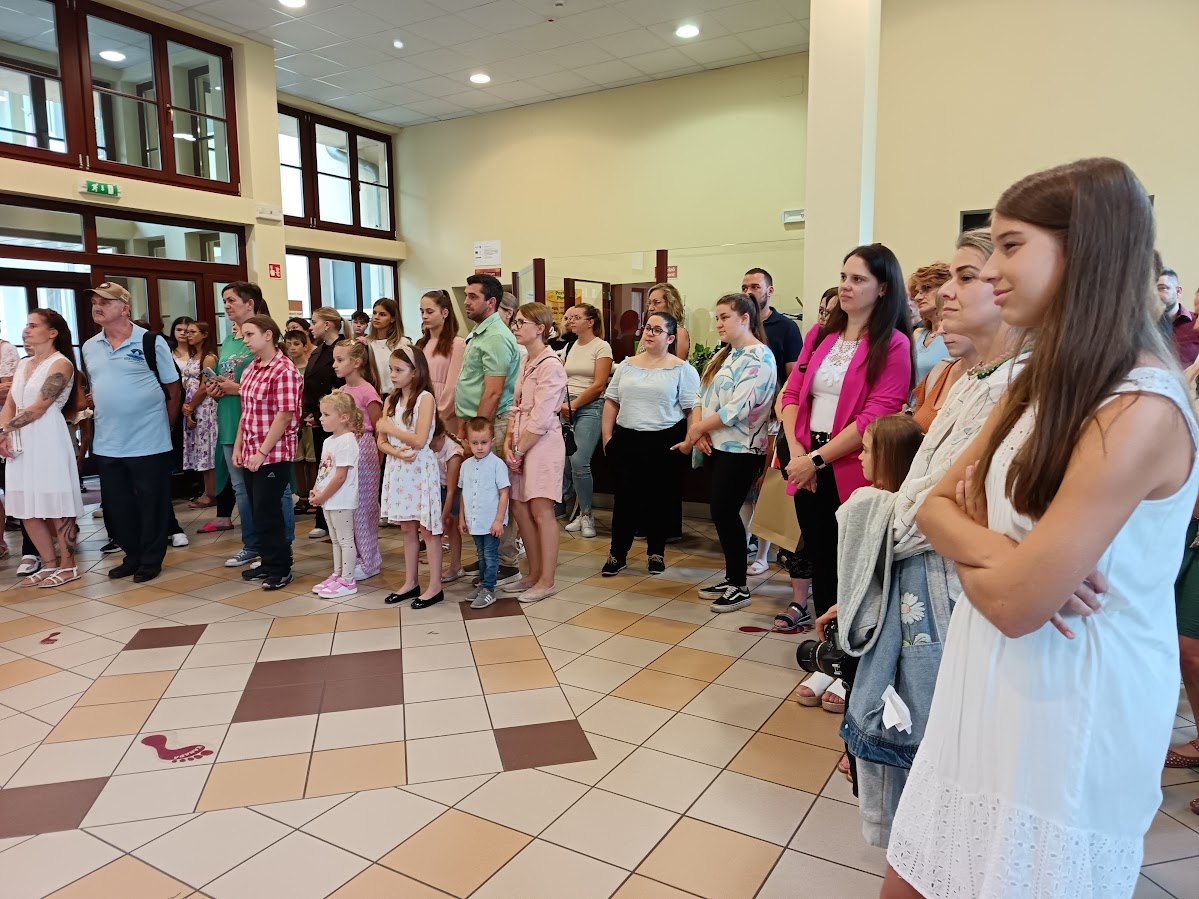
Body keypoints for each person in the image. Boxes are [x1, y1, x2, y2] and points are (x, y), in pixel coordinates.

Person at [883, 158, 1198, 899]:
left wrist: (994, 559)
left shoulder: (1139, 407)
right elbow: (929, 506)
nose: (990, 270)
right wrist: (1005, 553)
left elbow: (1019, 606)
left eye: (1011, 245)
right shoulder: (1039, 377)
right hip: (985, 677)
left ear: (1086, 249)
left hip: (1070, 701)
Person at [781, 244, 911, 711]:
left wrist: (817, 460)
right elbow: (792, 393)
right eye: (843, 277)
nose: (846, 286)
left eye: (858, 279)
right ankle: (828, 657)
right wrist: (799, 454)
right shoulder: (820, 333)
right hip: (806, 460)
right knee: (820, 561)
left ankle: (853, 662)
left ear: (883, 288)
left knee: (853, 568)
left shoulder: (893, 344)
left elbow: (878, 413)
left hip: (851, 467)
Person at [674, 293, 776, 612]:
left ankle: (740, 586)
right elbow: (701, 395)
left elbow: (738, 409)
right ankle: (732, 578)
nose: (718, 323)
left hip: (742, 448)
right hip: (716, 444)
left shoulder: (760, 357)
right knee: (720, 512)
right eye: (716, 317)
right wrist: (700, 428)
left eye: (724, 317)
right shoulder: (726, 353)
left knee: (725, 512)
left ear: (745, 319)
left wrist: (698, 430)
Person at [83, 282, 182, 584]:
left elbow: (173, 389)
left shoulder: (151, 342)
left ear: (124, 308)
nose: (97, 307)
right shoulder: (90, 346)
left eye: (105, 302)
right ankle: (132, 556)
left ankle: (151, 560)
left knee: (152, 504)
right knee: (118, 507)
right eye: (95, 302)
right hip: (108, 442)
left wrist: (166, 427)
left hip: (149, 440)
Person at [600, 311, 699, 577]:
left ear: (670, 338)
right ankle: (617, 554)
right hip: (627, 437)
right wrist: (607, 437)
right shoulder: (627, 365)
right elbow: (611, 401)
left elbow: (692, 408)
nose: (649, 334)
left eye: (657, 330)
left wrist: (689, 441)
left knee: (660, 500)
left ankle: (656, 552)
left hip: (664, 439)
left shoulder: (682, 369)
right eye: (647, 328)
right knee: (625, 500)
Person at [205, 283, 295, 559]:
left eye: (231, 300)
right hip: (234, 420)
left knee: (274, 491)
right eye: (224, 300)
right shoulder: (230, 339)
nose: (226, 306)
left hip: (266, 428)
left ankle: (280, 549)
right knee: (242, 490)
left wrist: (237, 388)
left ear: (250, 303)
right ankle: (253, 545)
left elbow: (275, 393)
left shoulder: (268, 341)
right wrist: (217, 389)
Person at [0, 310, 83, 587]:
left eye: (33, 325)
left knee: (57, 503)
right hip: (19, 436)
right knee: (25, 506)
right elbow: (11, 403)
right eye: (26, 325)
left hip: (47, 435)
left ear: (52, 332)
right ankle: (48, 564)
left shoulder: (61, 364)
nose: (26, 330)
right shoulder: (23, 363)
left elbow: (39, 407)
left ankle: (68, 565)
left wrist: (4, 429)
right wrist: (4, 433)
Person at [456, 274, 522, 586]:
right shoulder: (481, 331)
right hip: (481, 422)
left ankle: (506, 563)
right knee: (479, 493)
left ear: (491, 302)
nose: (466, 302)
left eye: (473, 296)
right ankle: (488, 556)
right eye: (466, 295)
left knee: (495, 495)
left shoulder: (495, 336)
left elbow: (493, 392)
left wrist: (477, 434)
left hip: (493, 422)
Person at [503, 302, 568, 603]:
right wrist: (509, 442)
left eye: (521, 323)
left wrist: (518, 449)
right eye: (514, 322)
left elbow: (541, 418)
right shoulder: (526, 360)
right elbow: (516, 407)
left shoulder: (551, 365)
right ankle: (533, 573)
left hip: (541, 444)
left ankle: (547, 580)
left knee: (542, 510)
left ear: (540, 328)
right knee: (519, 508)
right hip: (521, 440)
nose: (516, 327)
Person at [232, 314, 302, 591]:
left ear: (268, 335)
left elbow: (284, 416)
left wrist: (262, 452)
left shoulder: (284, 370)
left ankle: (281, 567)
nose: (245, 340)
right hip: (251, 449)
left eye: (250, 335)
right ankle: (268, 561)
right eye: (244, 335)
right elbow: (246, 412)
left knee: (268, 510)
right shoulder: (252, 368)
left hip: (274, 454)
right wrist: (239, 445)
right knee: (256, 510)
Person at [379, 345, 444, 609]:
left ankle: (435, 586)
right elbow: (381, 440)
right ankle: (410, 582)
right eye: (391, 369)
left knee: (427, 529)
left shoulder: (424, 399)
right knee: (407, 527)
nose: (393, 375)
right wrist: (395, 451)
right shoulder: (391, 400)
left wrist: (389, 427)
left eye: (398, 370)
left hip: (420, 468)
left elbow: (419, 439)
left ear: (415, 372)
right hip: (399, 467)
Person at [558, 303, 613, 537]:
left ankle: (587, 514)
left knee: (580, 460)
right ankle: (576, 511)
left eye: (576, 317)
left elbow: (599, 385)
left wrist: (575, 405)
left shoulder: (601, 347)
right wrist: (563, 405)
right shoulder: (569, 347)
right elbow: (561, 377)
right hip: (566, 405)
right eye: (569, 317)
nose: (570, 321)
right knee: (566, 461)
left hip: (590, 406)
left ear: (590, 322)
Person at [332, 339, 383, 580]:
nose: (335, 364)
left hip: (365, 451)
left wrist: (379, 459)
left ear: (356, 362)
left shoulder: (367, 391)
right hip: (346, 449)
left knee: (364, 507)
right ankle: (356, 556)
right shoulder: (341, 392)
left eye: (340, 360)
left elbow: (379, 427)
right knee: (349, 504)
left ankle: (370, 560)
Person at [309, 392, 362, 599]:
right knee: (335, 540)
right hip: (329, 499)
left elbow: (340, 476)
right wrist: (316, 490)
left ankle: (348, 580)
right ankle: (338, 574)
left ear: (343, 417)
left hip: (341, 500)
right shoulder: (329, 441)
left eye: (326, 414)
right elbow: (324, 470)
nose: (320, 418)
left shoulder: (347, 441)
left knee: (345, 540)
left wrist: (322, 496)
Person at [303, 307, 347, 540]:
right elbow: (311, 384)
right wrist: (310, 412)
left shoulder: (344, 348)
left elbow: (338, 385)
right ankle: (323, 518)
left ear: (327, 324)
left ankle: (339, 517)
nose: (311, 327)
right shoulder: (318, 351)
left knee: (338, 468)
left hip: (338, 417)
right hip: (318, 418)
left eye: (314, 322)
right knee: (324, 467)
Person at [459, 416, 511, 610]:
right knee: (481, 555)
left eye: (484, 442)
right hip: (475, 521)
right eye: (475, 443)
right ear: (468, 443)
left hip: (491, 522)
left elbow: (504, 493)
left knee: (490, 555)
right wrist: (462, 518)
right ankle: (483, 584)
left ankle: (489, 589)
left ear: (492, 441)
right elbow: (464, 493)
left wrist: (499, 520)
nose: (479, 447)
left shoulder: (497, 465)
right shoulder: (466, 466)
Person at [417, 289, 466, 436]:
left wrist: (439, 413)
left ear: (444, 313)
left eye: (430, 312)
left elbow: (453, 385)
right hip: (421, 406)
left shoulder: (457, 344)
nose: (424, 316)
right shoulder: (421, 344)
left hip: (445, 411)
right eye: (422, 312)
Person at [181, 320, 219, 508]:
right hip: (192, 402)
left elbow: (205, 386)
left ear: (204, 334)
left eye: (193, 332)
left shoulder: (208, 357)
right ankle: (206, 490)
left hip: (204, 406)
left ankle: (212, 492)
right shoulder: (193, 356)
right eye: (187, 332)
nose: (188, 335)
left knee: (207, 448)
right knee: (198, 448)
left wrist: (191, 406)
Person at [282, 329, 317, 512]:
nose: (292, 348)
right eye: (288, 344)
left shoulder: (310, 368)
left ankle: (313, 495)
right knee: (297, 458)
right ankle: (301, 496)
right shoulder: (286, 368)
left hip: (308, 417)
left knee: (311, 458)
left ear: (305, 346)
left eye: (296, 344)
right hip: (292, 419)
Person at [908, 263, 952, 384]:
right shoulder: (917, 334)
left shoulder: (957, 336)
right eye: (917, 292)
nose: (917, 297)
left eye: (926, 288)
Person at [433, 424, 465, 582]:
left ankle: (456, 565)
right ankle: (453, 566)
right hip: (441, 487)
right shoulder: (432, 446)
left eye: (433, 445)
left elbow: (452, 491)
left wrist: (442, 519)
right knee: (449, 525)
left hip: (457, 490)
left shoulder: (453, 453)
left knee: (453, 524)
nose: (431, 448)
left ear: (442, 436)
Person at [1158, 267, 1199, 367]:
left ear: (1178, 292)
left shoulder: (1195, 323)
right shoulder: (1141, 328)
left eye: (1162, 288)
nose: (1156, 294)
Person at [367, 298, 406, 395]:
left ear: (392, 319)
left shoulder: (402, 343)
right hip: (372, 395)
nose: (376, 317)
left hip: (396, 394)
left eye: (382, 314)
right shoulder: (366, 343)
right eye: (374, 313)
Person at [644, 283, 690, 359]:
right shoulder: (648, 330)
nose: (650, 308)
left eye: (656, 302)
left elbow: (677, 364)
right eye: (649, 303)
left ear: (670, 304)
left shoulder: (679, 332)